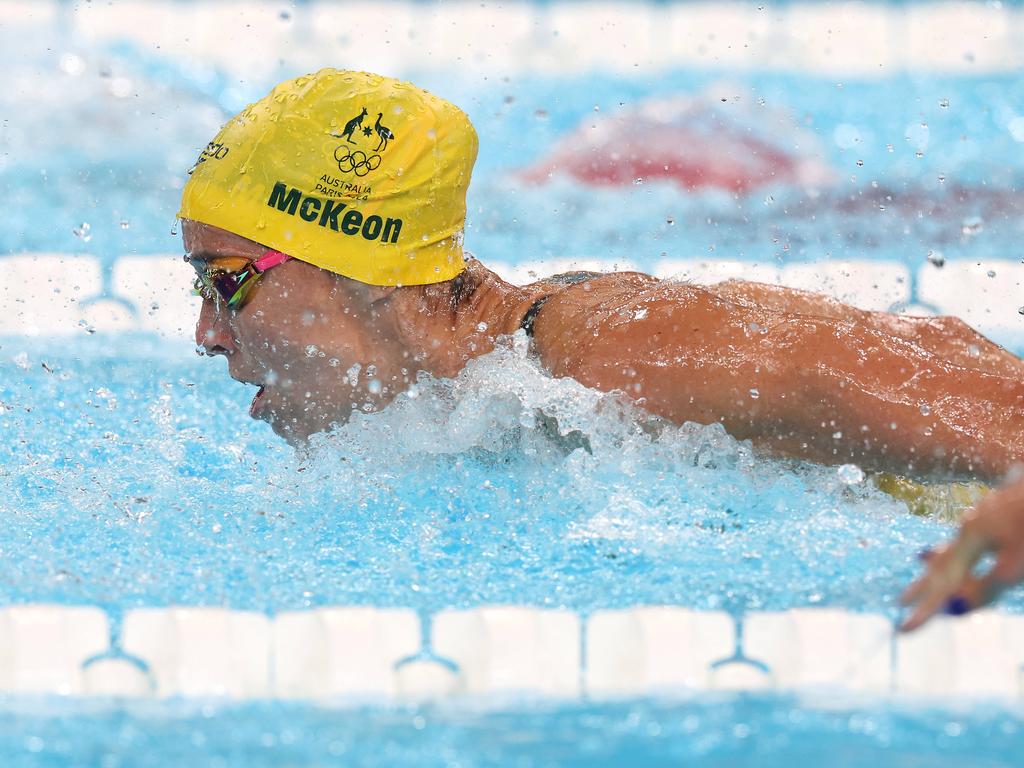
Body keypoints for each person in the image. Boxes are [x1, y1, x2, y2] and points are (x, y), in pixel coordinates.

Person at [181, 69, 1024, 488]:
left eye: (226, 283)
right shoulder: (489, 392)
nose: (207, 335)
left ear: (360, 272)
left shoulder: (617, 357)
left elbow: (987, 403)